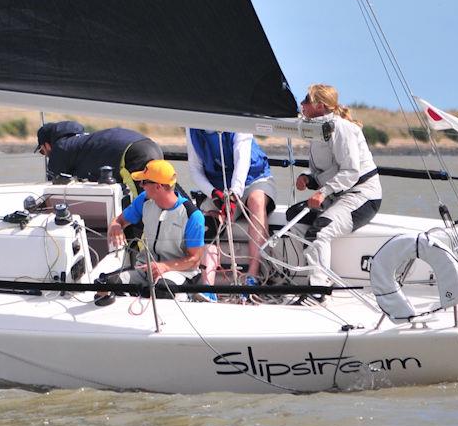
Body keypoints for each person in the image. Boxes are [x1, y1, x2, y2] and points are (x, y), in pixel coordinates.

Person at [291, 84, 382, 305]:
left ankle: (319, 290)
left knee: (319, 230)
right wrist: (307, 177)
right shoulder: (316, 130)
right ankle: (312, 273)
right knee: (295, 216)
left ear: (320, 106)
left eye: (306, 100)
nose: (301, 104)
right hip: (337, 195)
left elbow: (350, 171)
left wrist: (322, 192)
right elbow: (322, 170)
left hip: (362, 196)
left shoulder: (343, 129)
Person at [94, 160, 205, 306]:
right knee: (107, 285)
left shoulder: (193, 216)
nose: (141, 186)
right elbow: (119, 220)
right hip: (145, 269)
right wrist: (115, 225)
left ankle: (188, 297)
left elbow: (194, 260)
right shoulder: (143, 200)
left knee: (161, 291)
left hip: (179, 272)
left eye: (144, 182)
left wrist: (164, 267)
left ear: (158, 187)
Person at [186, 129, 277, 292]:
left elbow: (242, 161)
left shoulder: (236, 121)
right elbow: (195, 168)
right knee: (209, 221)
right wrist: (213, 194)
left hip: (253, 179)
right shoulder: (192, 126)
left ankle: (253, 275)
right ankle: (208, 285)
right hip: (219, 186)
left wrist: (234, 195)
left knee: (257, 201)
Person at [34, 121, 162, 197]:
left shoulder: (60, 149)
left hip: (131, 155)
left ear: (47, 144)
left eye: (41, 151)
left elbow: (52, 191)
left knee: (144, 204)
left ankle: (142, 242)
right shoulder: (81, 142)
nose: (45, 155)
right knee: (164, 190)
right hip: (150, 145)